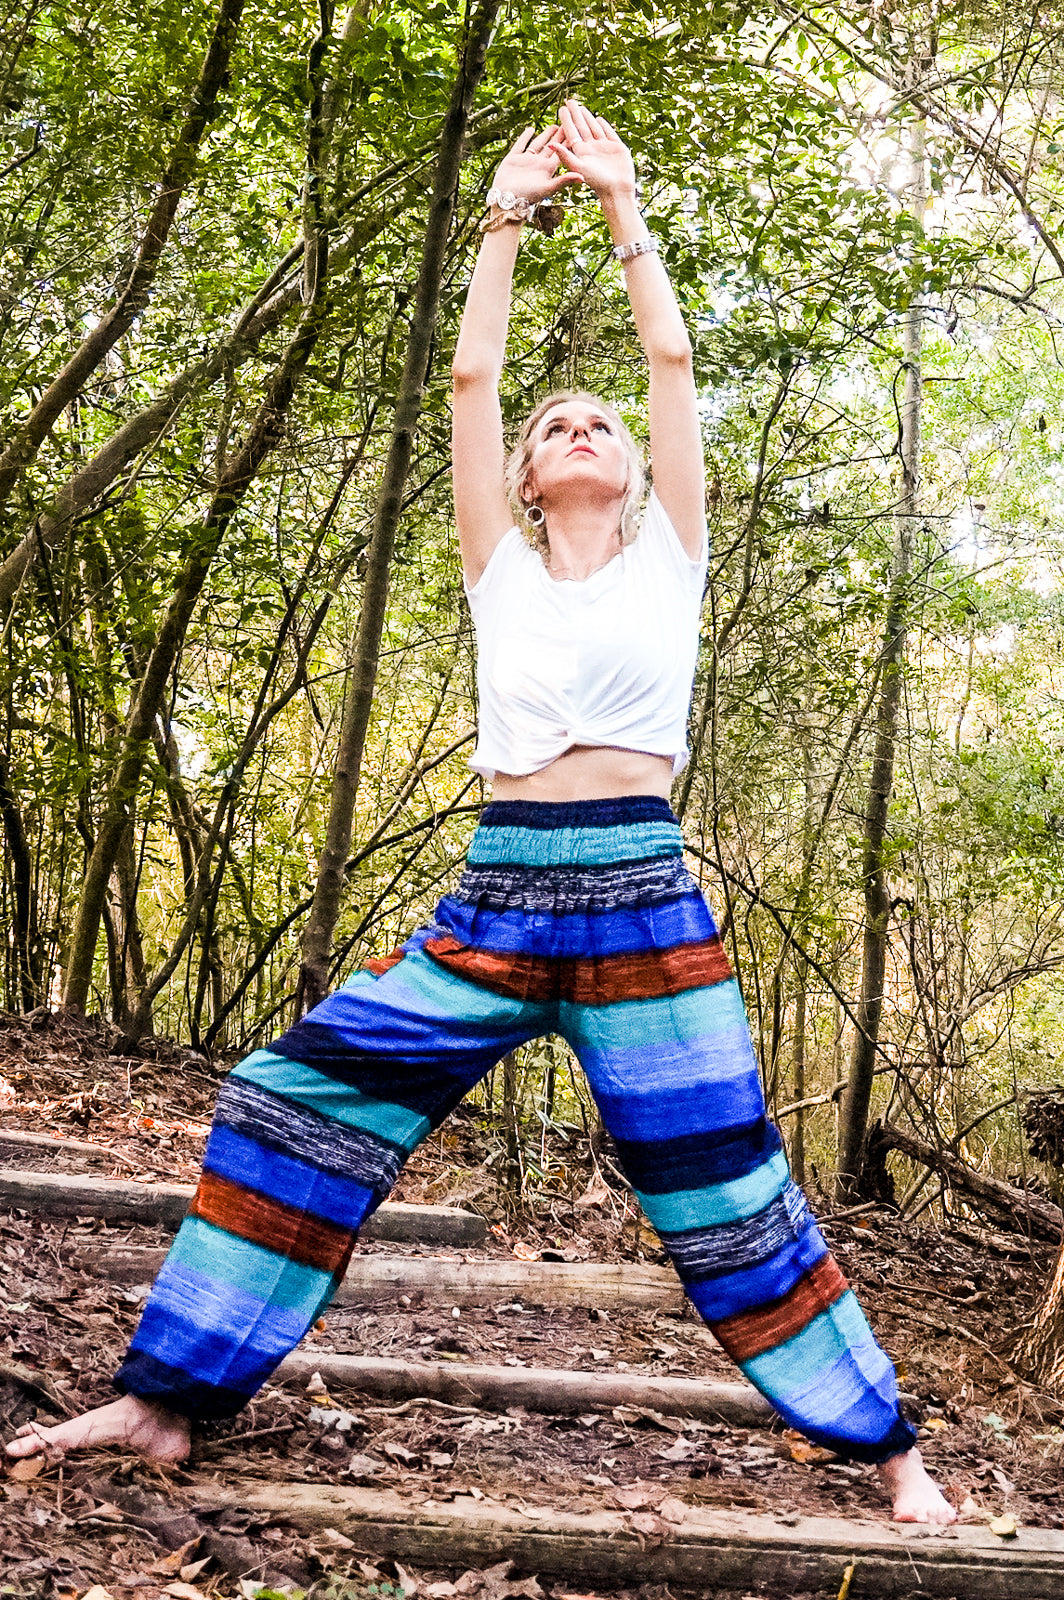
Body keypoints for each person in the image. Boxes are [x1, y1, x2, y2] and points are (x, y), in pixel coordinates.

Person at [5, 102, 954, 1525]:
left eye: (600, 426)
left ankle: (887, 1445)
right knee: (283, 1096)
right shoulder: (497, 569)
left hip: (645, 902)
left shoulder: (673, 564)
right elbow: (469, 375)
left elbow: (673, 358)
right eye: (553, 425)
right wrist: (503, 217)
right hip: (498, 902)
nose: (577, 428)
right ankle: (164, 1401)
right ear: (521, 476)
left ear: (634, 476)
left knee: (726, 1176)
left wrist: (626, 205)